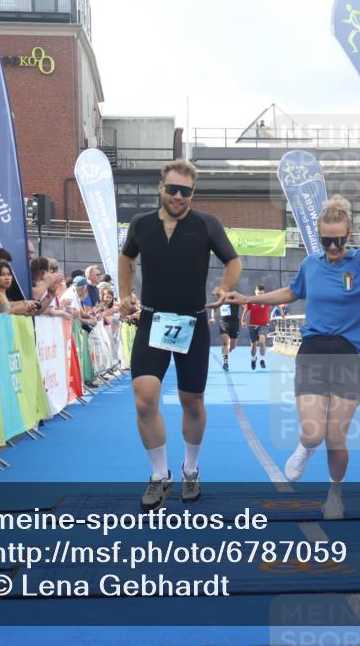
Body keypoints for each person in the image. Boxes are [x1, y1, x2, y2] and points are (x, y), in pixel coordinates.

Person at [226, 196, 360, 519]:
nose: (332, 247)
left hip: (350, 356)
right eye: (326, 240)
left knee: (335, 439)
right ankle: (305, 447)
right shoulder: (311, 264)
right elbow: (292, 292)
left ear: (349, 235)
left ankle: (335, 495)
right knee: (314, 433)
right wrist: (249, 298)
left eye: (339, 240)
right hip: (314, 351)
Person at [118, 158, 241, 510]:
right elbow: (126, 259)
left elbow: (233, 262)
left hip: (192, 322)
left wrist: (225, 287)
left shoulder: (207, 224)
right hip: (152, 321)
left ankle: (190, 469)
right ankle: (160, 475)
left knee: (193, 403)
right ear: (161, 187)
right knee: (144, 399)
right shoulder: (141, 224)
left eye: (185, 191)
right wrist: (125, 294)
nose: (178, 196)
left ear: (192, 194)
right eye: (172, 189)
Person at [241, 284, 271, 370]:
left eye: (261, 293)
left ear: (264, 293)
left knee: (262, 340)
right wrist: (243, 320)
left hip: (264, 325)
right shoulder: (251, 301)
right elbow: (246, 310)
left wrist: (282, 313)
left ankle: (262, 360)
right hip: (253, 325)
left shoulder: (267, 300)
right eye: (258, 293)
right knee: (253, 346)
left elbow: (278, 304)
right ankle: (254, 359)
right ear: (255, 292)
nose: (259, 295)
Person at [212, 300, 241, 371]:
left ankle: (229, 349)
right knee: (226, 342)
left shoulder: (236, 297)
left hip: (235, 324)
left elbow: (244, 307)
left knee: (232, 346)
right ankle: (225, 362)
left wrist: (244, 318)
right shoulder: (221, 298)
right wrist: (213, 317)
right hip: (224, 324)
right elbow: (214, 307)